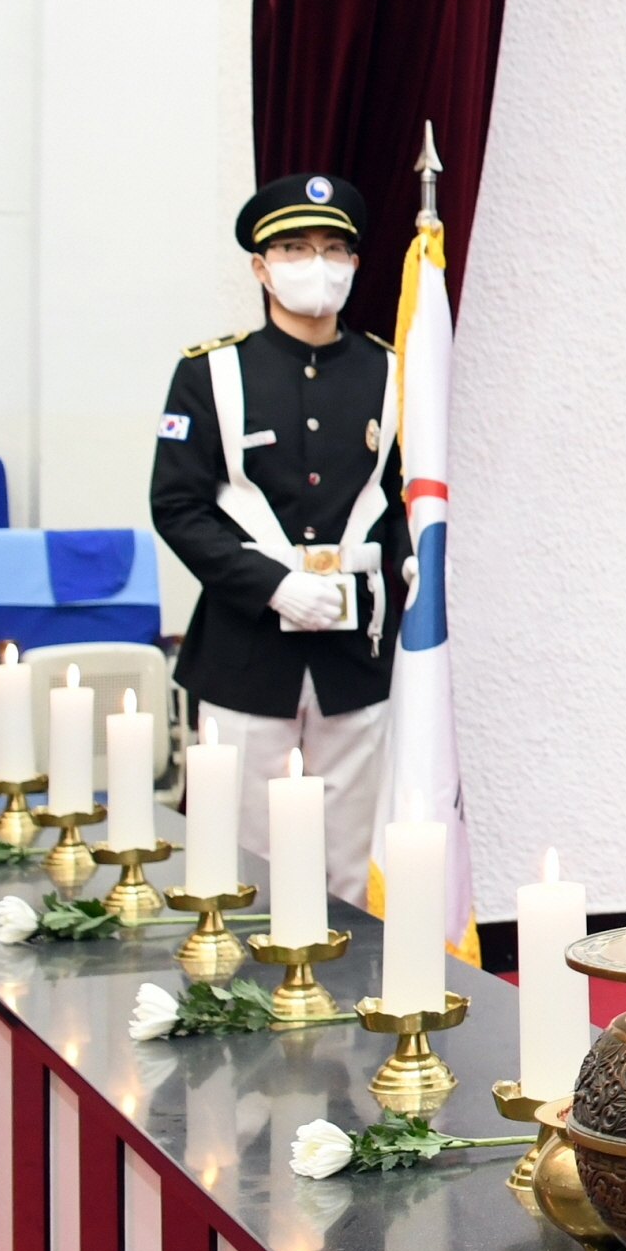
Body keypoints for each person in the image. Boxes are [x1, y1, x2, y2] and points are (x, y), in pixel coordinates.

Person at [150, 173, 411, 903]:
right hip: (244, 647)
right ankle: (245, 1002)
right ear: (260, 266)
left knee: (350, 859)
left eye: (333, 248)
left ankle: (351, 998)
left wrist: (409, 566)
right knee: (242, 854)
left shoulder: (391, 371)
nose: (316, 263)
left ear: (357, 263)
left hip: (352, 648)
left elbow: (401, 500)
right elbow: (177, 506)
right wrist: (273, 586)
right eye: (294, 247)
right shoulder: (211, 372)